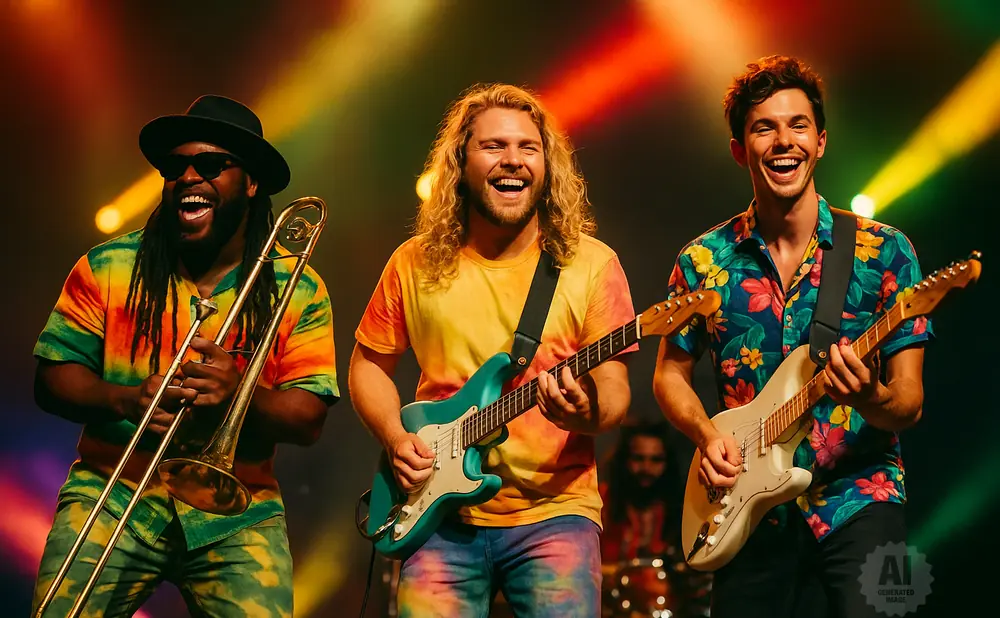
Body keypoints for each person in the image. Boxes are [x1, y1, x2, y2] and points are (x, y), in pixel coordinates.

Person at [31, 95, 339, 617]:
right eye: (176, 166)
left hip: (237, 509)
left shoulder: (299, 287)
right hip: (114, 492)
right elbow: (51, 380)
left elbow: (308, 418)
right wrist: (128, 400)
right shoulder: (109, 265)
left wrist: (237, 395)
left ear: (251, 182)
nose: (189, 175)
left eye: (213, 164)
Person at [652, 55, 932, 618]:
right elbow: (668, 375)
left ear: (821, 141)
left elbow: (907, 405)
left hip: (863, 498)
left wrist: (869, 398)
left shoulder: (887, 252)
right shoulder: (704, 259)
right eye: (765, 127)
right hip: (748, 512)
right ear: (739, 149)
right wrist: (707, 438)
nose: (785, 142)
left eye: (798, 125)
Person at [349, 83, 635, 618]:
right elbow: (367, 365)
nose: (513, 160)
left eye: (528, 147)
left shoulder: (592, 264)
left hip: (557, 513)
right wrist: (394, 438)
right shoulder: (414, 262)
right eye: (493, 146)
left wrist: (587, 412)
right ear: (461, 160)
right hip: (436, 516)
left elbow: (616, 390)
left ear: (548, 165)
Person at [599, 421, 711, 617]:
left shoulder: (680, 509)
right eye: (638, 458)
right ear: (624, 460)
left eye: (656, 460)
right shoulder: (601, 501)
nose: (646, 468)